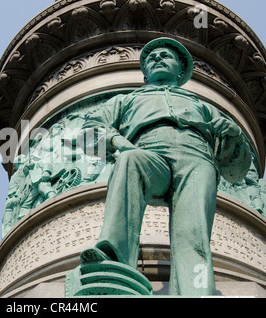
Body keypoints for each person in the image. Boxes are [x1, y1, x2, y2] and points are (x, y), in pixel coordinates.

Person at [79, 37, 250, 296]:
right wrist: (118, 142)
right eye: (151, 57)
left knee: (193, 232)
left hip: (196, 158)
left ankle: (198, 289)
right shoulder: (126, 100)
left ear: (181, 71)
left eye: (165, 56)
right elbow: (88, 131)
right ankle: (113, 258)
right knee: (129, 161)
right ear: (145, 72)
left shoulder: (201, 105)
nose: (157, 59)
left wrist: (234, 135)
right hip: (147, 151)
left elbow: (237, 169)